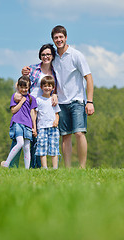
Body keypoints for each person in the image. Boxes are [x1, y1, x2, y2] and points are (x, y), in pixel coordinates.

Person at [51, 25, 95, 168]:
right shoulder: (54, 57)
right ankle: (68, 169)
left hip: (77, 101)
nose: (59, 40)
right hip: (61, 102)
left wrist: (90, 101)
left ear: (66, 37)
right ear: (53, 39)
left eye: (61, 37)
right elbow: (42, 67)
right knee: (65, 135)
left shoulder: (76, 55)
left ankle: (82, 167)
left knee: (79, 133)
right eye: (56, 38)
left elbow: (88, 78)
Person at [14, 44, 58, 169]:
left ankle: (36, 166)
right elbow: (20, 83)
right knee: (25, 135)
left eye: (48, 54)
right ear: (40, 56)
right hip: (29, 105)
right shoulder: (32, 68)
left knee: (39, 137)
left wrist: (55, 96)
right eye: (43, 54)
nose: (46, 57)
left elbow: (56, 89)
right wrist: (17, 94)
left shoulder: (55, 71)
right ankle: (14, 164)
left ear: (52, 56)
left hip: (46, 108)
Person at [1, 76, 37, 169]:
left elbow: (32, 113)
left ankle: (27, 169)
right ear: (18, 87)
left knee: (26, 147)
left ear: (29, 87)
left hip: (28, 125)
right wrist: (21, 102)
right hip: (17, 122)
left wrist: (34, 127)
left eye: (26, 87)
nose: (24, 89)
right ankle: (7, 163)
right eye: (21, 87)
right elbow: (13, 111)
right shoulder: (16, 96)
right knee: (20, 143)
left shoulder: (32, 98)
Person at [35, 75, 61, 169]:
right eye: (45, 86)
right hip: (42, 127)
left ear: (53, 88)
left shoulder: (53, 100)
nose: (47, 88)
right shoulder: (38, 100)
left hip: (53, 127)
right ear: (41, 87)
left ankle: (55, 168)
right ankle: (44, 167)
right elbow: (35, 114)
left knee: (54, 147)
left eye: (49, 86)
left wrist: (56, 121)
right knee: (42, 147)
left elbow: (57, 113)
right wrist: (34, 127)